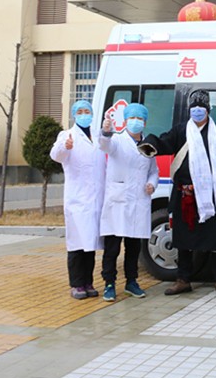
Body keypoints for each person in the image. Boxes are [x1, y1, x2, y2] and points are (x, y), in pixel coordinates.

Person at [138, 90, 216, 296]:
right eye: (193, 108)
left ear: (208, 110)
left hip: (212, 195)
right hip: (185, 195)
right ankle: (183, 279)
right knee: (183, 238)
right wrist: (149, 144)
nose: (197, 111)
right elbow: (165, 142)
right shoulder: (180, 130)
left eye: (201, 108)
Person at [98, 103, 159, 302]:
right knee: (112, 248)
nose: (136, 122)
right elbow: (104, 146)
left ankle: (131, 282)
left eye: (140, 119)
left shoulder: (148, 145)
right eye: (132, 118)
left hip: (139, 201)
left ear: (145, 122)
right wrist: (106, 132)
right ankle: (109, 283)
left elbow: (154, 171)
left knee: (133, 248)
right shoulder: (117, 140)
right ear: (125, 121)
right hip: (118, 200)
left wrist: (152, 184)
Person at [50, 100, 106, 300]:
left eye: (87, 111)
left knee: (90, 244)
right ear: (74, 115)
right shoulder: (67, 135)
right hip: (77, 200)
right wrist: (65, 147)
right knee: (76, 244)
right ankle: (76, 284)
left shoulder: (98, 136)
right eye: (80, 111)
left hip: (96, 199)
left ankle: (88, 282)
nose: (84, 115)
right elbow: (55, 155)